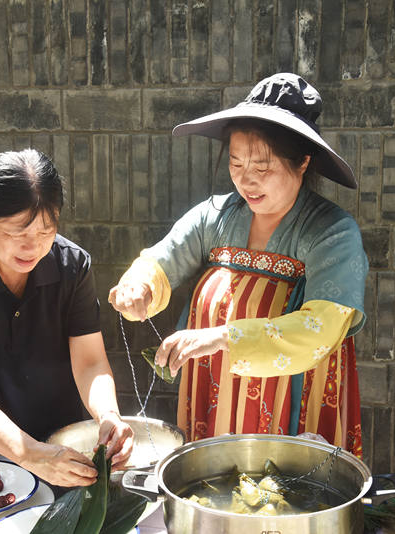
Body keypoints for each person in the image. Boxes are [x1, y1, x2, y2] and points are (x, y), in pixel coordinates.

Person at [109, 73, 368, 457]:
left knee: (282, 489)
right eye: (235, 163)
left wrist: (221, 338)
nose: (246, 181)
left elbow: (319, 329)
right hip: (214, 393)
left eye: (262, 168)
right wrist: (139, 287)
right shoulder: (217, 215)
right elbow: (162, 259)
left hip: (293, 398)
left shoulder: (333, 232)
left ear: (302, 162)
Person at [0, 148, 134, 487]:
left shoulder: (72, 266)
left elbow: (90, 362)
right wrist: (29, 453)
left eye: (45, 231)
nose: (32, 247)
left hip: (59, 452)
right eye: (17, 233)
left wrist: (108, 416)